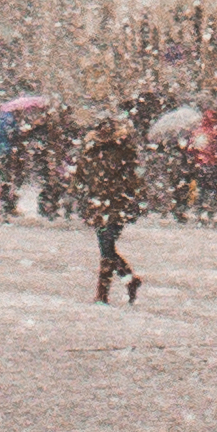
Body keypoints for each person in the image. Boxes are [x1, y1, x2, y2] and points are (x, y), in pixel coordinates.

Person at [77, 112, 145, 302]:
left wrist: (133, 199)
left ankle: (103, 293)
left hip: (115, 205)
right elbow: (82, 176)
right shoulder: (90, 150)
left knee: (107, 248)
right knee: (107, 248)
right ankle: (129, 279)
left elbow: (133, 178)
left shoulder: (123, 150)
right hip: (99, 205)